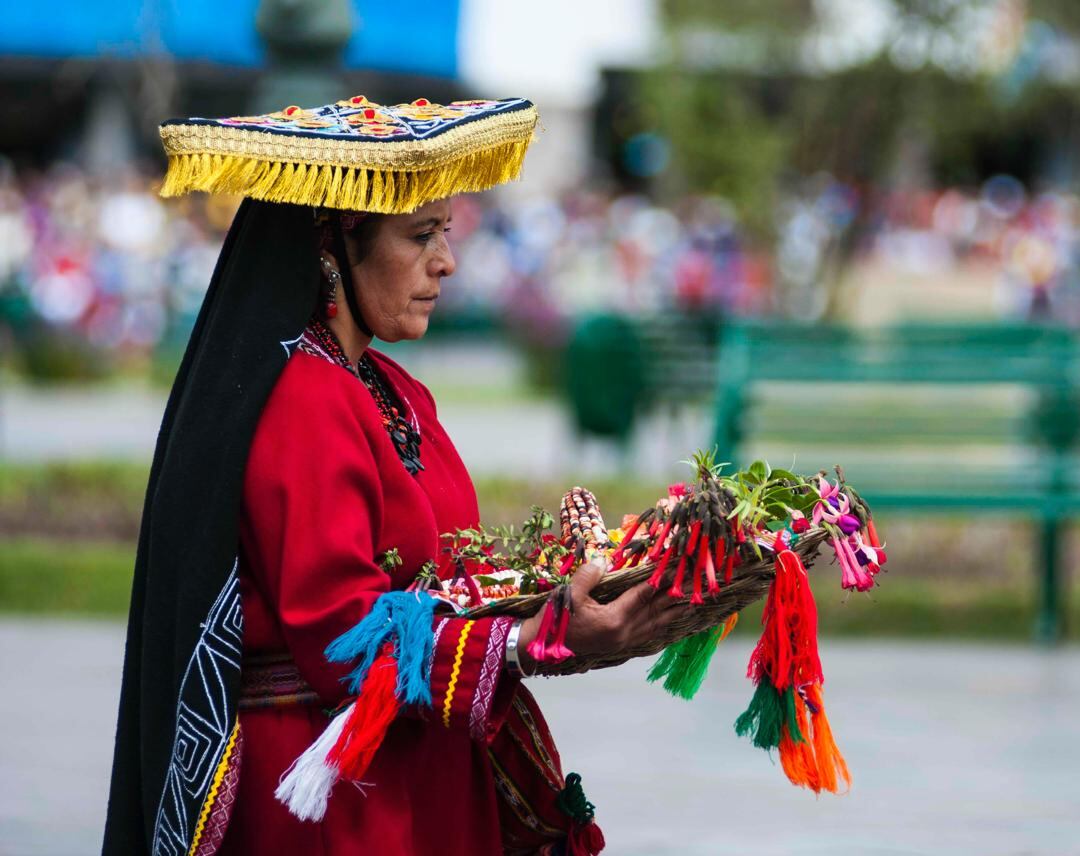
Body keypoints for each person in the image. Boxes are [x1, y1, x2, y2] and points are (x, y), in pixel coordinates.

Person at [102, 96, 683, 856]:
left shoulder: (395, 390)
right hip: (343, 807)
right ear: (333, 243)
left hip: (419, 769)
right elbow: (343, 632)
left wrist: (577, 591)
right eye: (419, 235)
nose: (446, 260)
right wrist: (532, 638)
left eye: (444, 232)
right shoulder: (303, 398)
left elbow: (450, 574)